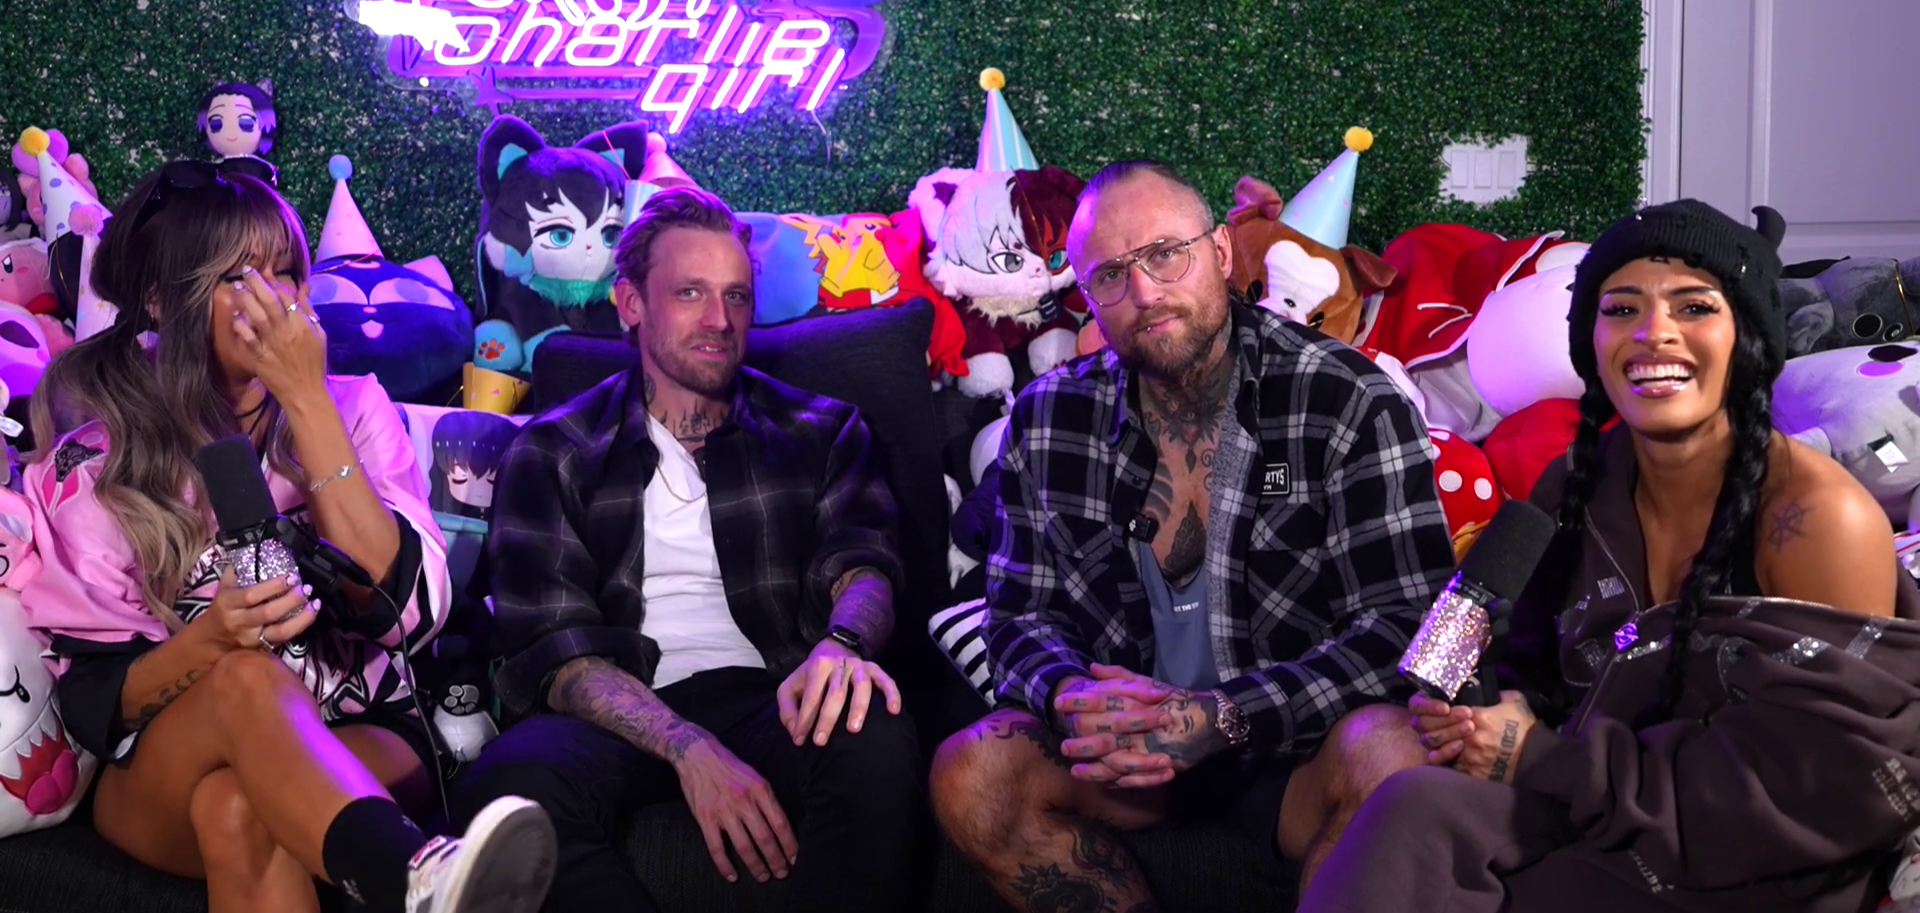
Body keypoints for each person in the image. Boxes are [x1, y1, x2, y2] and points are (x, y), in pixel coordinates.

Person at [1298, 199, 1920, 912]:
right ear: (1589, 341)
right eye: (1622, 309)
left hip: (1758, 862)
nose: (1654, 333)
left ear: (1748, 336)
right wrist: (1483, 716)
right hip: (1600, 808)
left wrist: (1540, 757)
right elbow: (1534, 669)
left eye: (1694, 307)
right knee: (1409, 806)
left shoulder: (1817, 519)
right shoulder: (1576, 486)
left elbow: (1811, 790)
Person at [17, 161, 556, 913]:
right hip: (163, 757)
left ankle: (414, 878)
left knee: (239, 807)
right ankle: (411, 875)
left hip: (355, 728)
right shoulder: (96, 466)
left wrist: (307, 398)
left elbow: (410, 615)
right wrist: (212, 642)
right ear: (164, 300)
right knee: (243, 678)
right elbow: (91, 701)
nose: (277, 299)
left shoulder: (352, 410)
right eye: (240, 276)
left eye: (288, 272)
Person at [929, 159, 1459, 909]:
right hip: (1126, 760)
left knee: (1397, 752)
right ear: (1087, 297)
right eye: (1111, 275)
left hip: (1297, 752)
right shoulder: (1048, 418)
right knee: (972, 771)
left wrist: (1224, 715)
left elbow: (1413, 627)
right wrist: (1071, 695)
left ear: (1220, 251)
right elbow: (1020, 614)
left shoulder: (1347, 398)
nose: (1145, 293)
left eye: (1165, 254)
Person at [458, 188, 924, 912]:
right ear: (630, 303)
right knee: (508, 789)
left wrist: (843, 645)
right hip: (615, 708)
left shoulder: (822, 430)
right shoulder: (553, 450)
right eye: (690, 293)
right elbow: (553, 652)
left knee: (875, 736)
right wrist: (686, 747)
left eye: (736, 295)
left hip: (777, 691)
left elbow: (865, 564)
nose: (719, 320)